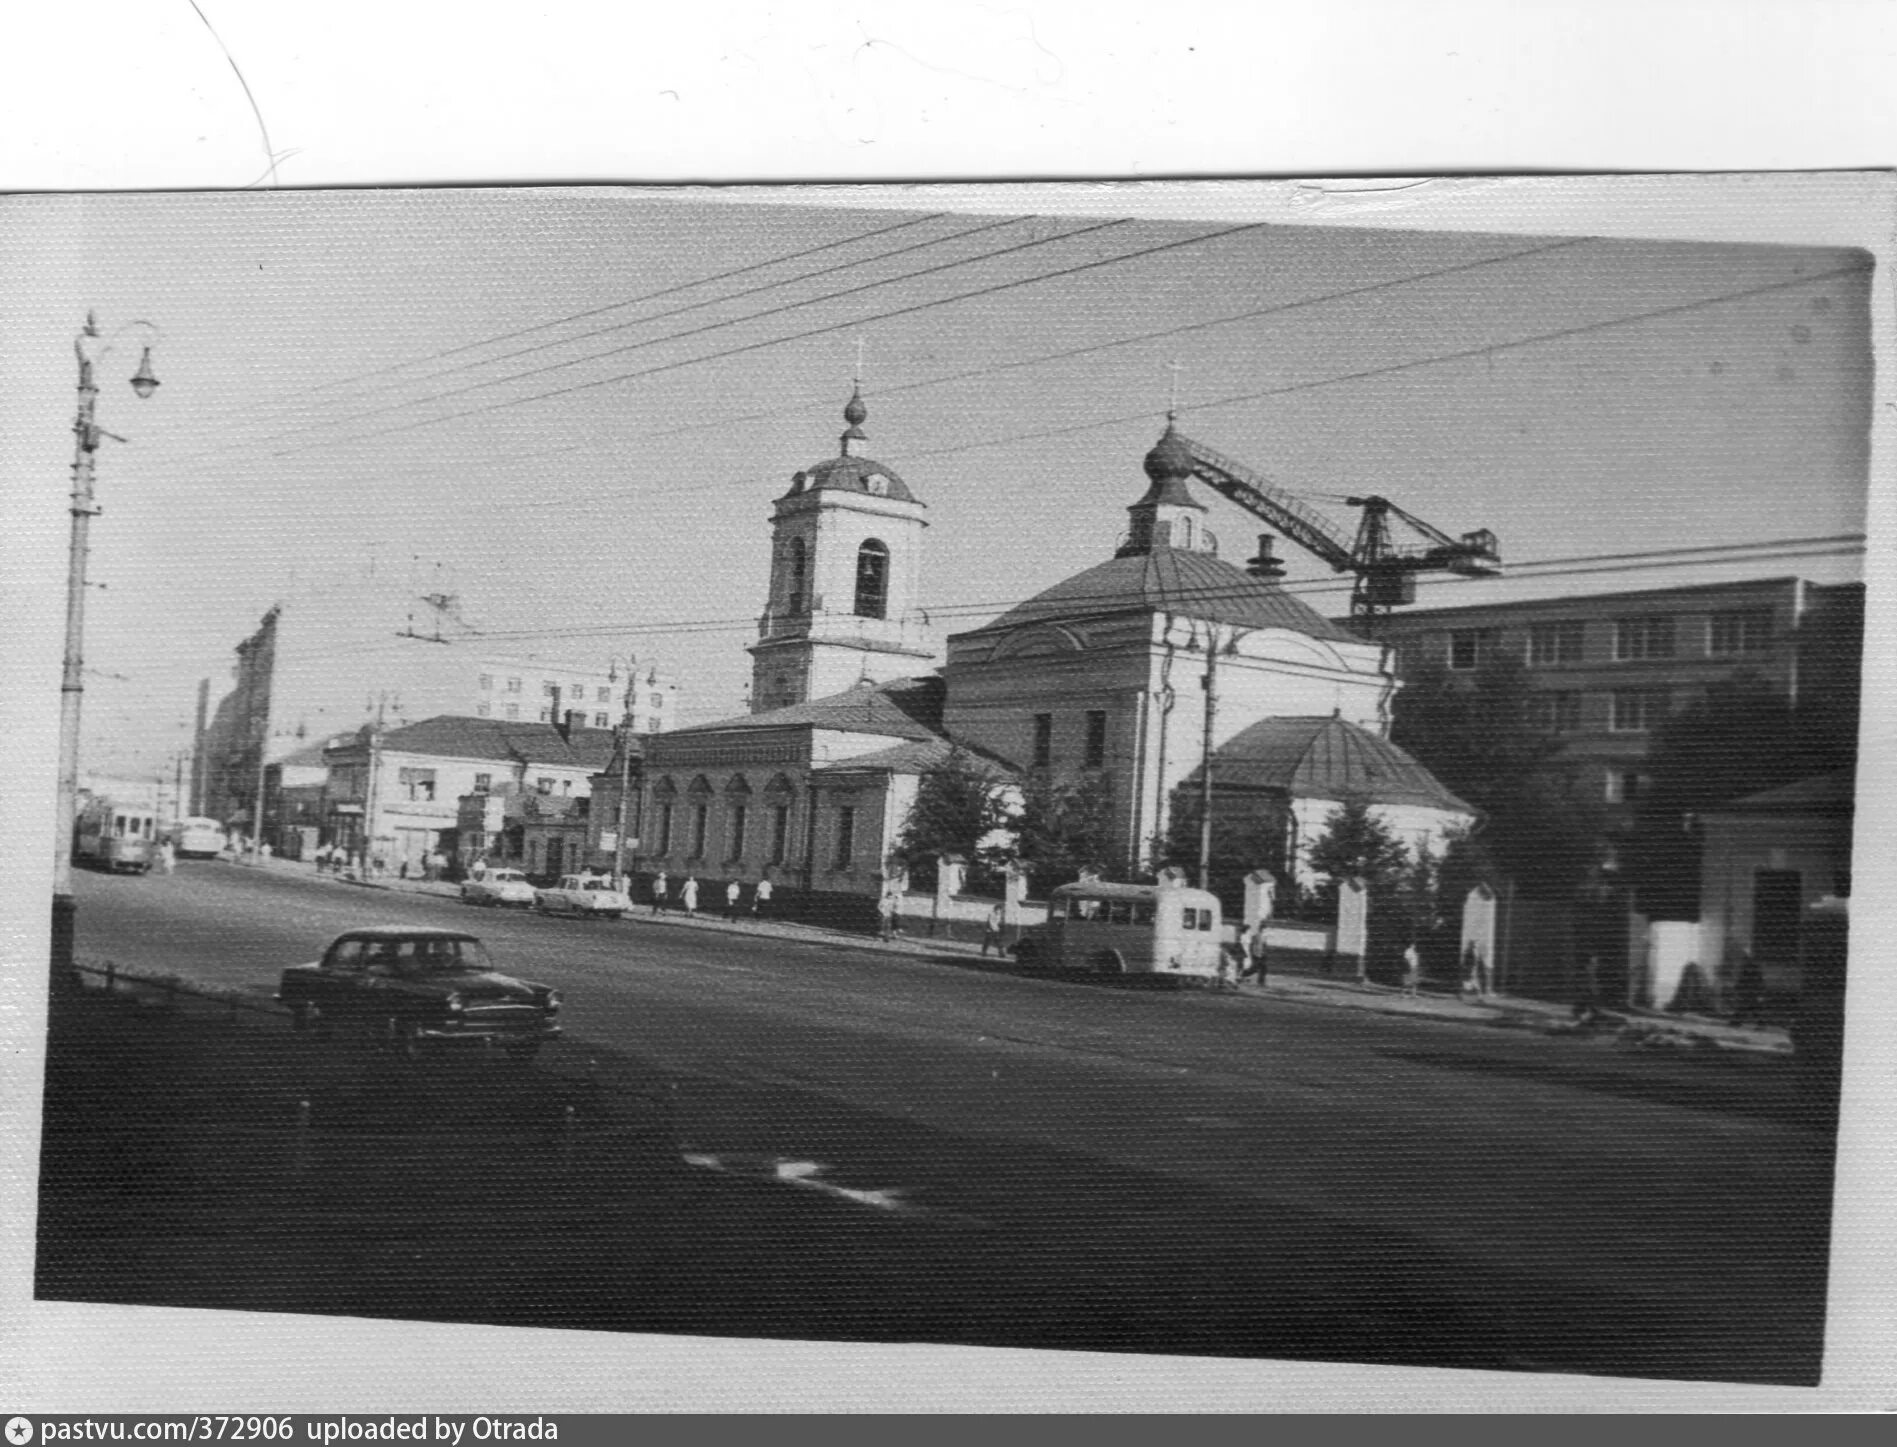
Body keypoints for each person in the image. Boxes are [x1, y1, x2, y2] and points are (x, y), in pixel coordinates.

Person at [1246, 919, 1270, 986]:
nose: (1264, 929)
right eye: (1263, 927)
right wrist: (1252, 953)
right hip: (1256, 954)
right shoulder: (1256, 935)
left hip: (1262, 954)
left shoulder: (1264, 936)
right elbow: (1252, 945)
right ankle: (1242, 975)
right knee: (1254, 969)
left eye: (1264, 927)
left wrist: (1265, 952)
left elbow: (1265, 945)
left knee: (1264, 968)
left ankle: (1261, 982)